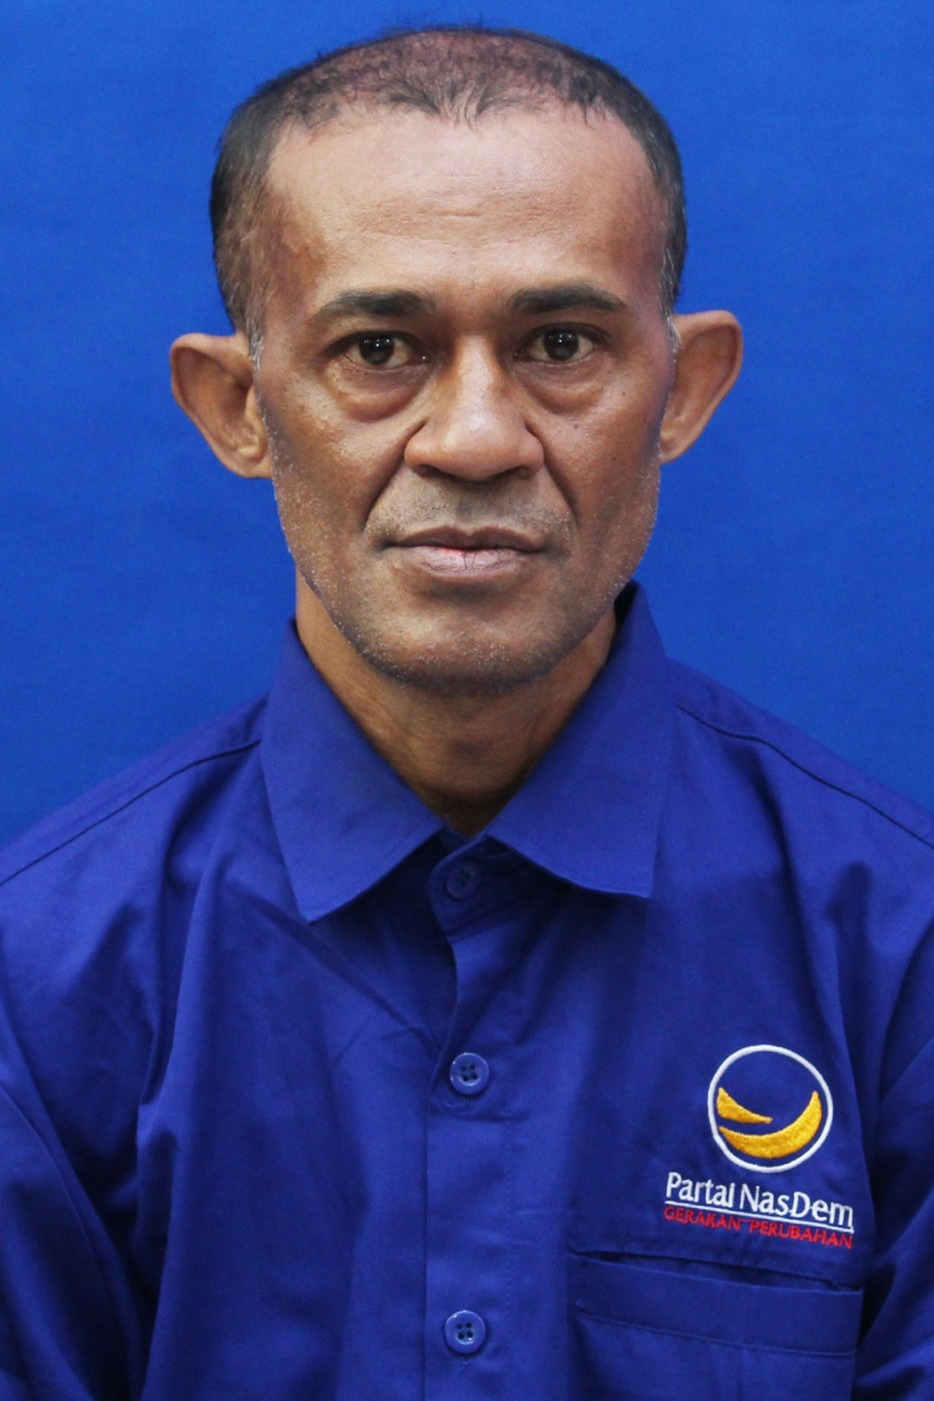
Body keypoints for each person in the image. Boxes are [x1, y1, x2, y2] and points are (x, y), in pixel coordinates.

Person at [1, 24, 932, 1400]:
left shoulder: (899, 951)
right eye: (380, 348)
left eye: (560, 344)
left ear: (681, 390)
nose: (477, 438)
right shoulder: (38, 982)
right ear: (238, 405)